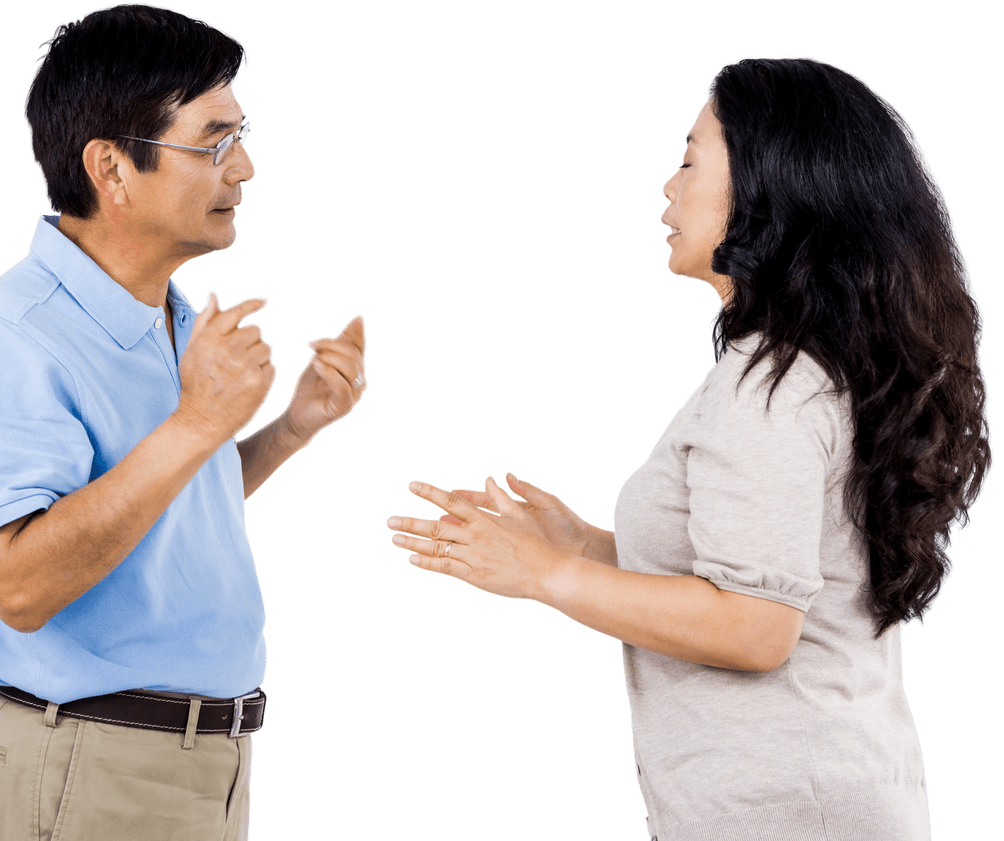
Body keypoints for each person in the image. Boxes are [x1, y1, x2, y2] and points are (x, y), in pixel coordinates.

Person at [386, 56, 991, 840]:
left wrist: (546, 574)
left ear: (771, 186)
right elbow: (748, 580)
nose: (667, 188)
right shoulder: (806, 368)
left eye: (688, 160)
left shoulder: (771, 390)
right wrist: (583, 545)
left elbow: (753, 625)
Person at [0, 5, 367, 839]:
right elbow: (19, 585)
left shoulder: (166, 316)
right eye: (214, 142)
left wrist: (289, 429)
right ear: (112, 168)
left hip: (206, 769)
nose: (246, 169)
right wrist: (196, 422)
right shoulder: (9, 337)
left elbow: (160, 513)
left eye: (242, 137)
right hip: (88, 769)